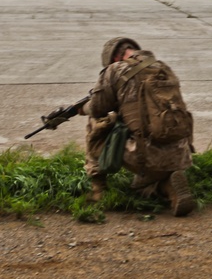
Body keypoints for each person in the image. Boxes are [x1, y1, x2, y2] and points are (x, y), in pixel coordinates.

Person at [78, 36, 195, 216]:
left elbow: (97, 108)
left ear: (114, 58)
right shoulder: (162, 68)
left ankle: (97, 188)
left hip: (143, 157)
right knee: (139, 187)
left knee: (96, 122)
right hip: (179, 155)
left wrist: (82, 109)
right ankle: (170, 185)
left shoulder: (115, 70)